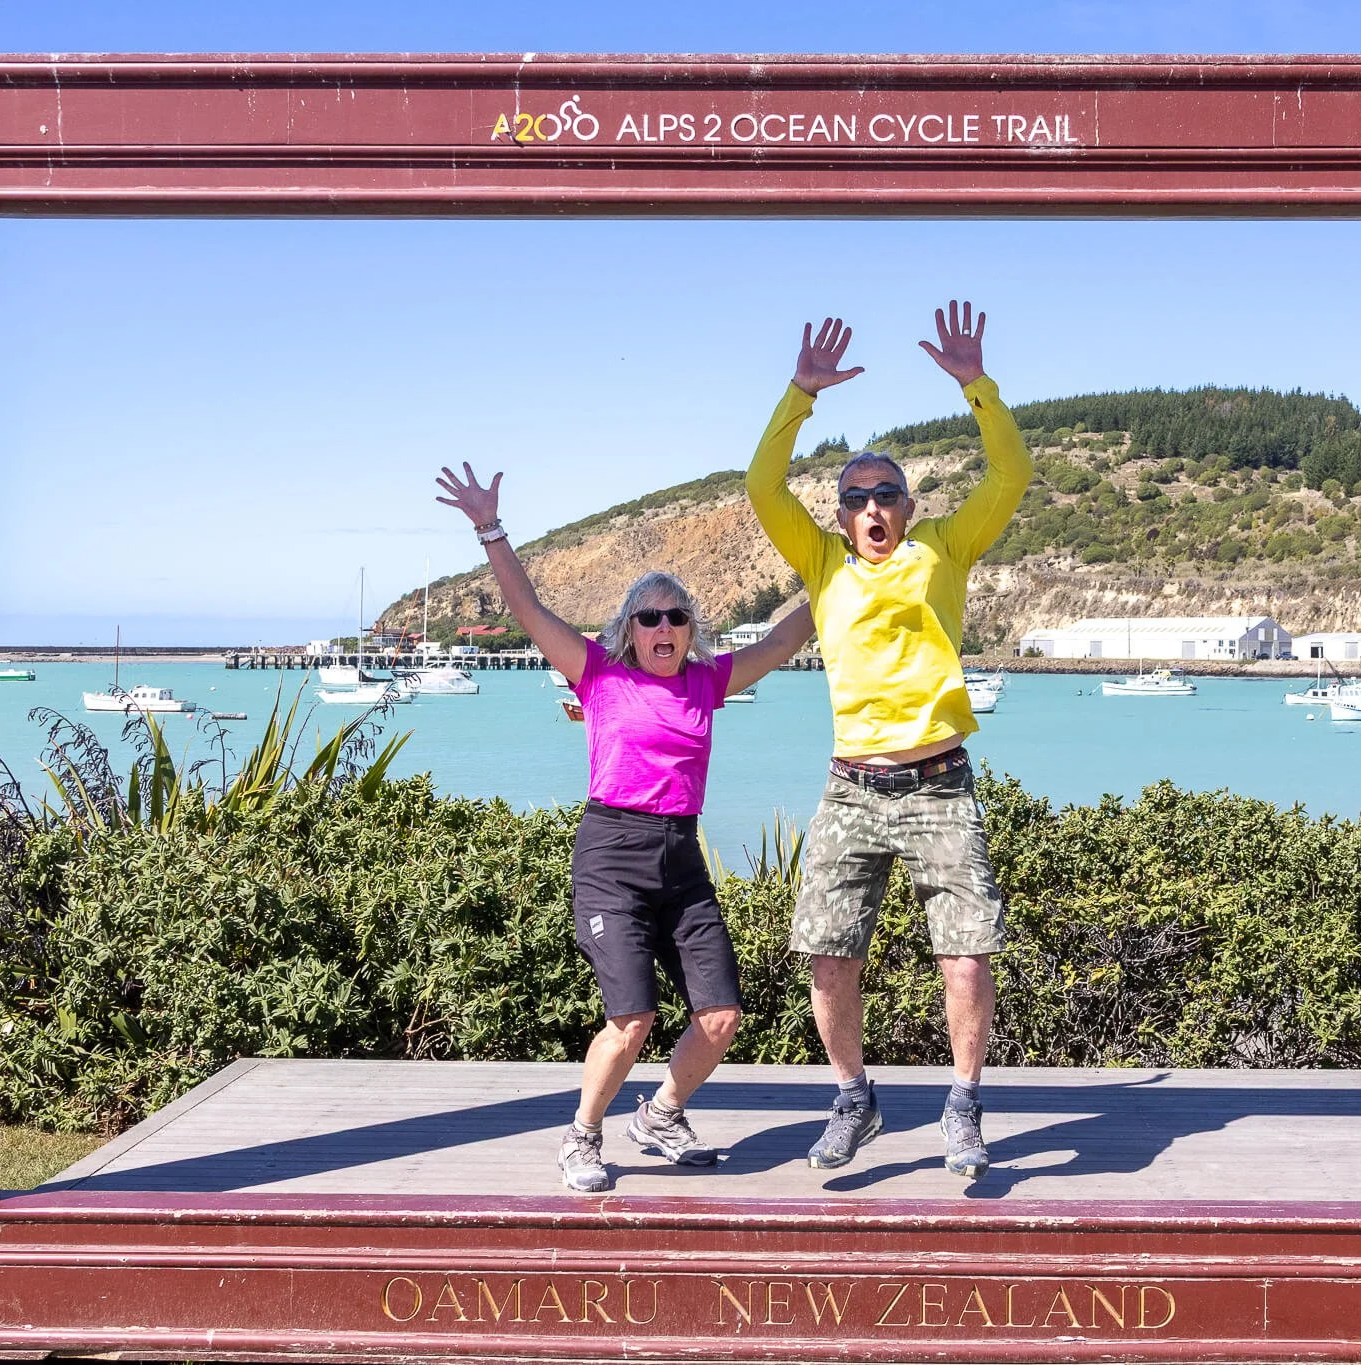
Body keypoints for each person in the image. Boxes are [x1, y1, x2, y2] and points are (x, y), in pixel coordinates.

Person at [436, 462, 815, 1193]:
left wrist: (833, 573)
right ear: (629, 629)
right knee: (632, 1016)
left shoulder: (708, 681)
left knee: (721, 1014)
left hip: (681, 856)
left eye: (677, 617)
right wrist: (491, 528)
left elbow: (781, 641)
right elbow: (528, 607)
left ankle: (662, 1113)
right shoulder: (598, 675)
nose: (664, 627)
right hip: (612, 855)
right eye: (650, 616)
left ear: (690, 631)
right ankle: (582, 1134)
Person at [745, 301, 1031, 1178]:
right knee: (828, 948)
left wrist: (975, 385)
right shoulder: (823, 563)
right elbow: (761, 485)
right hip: (852, 786)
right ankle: (852, 1097)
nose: (872, 507)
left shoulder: (946, 548)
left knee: (966, 949)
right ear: (839, 516)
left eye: (886, 494)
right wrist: (800, 393)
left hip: (939, 781)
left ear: (909, 507)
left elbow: (1013, 474)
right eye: (856, 497)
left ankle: (966, 1101)